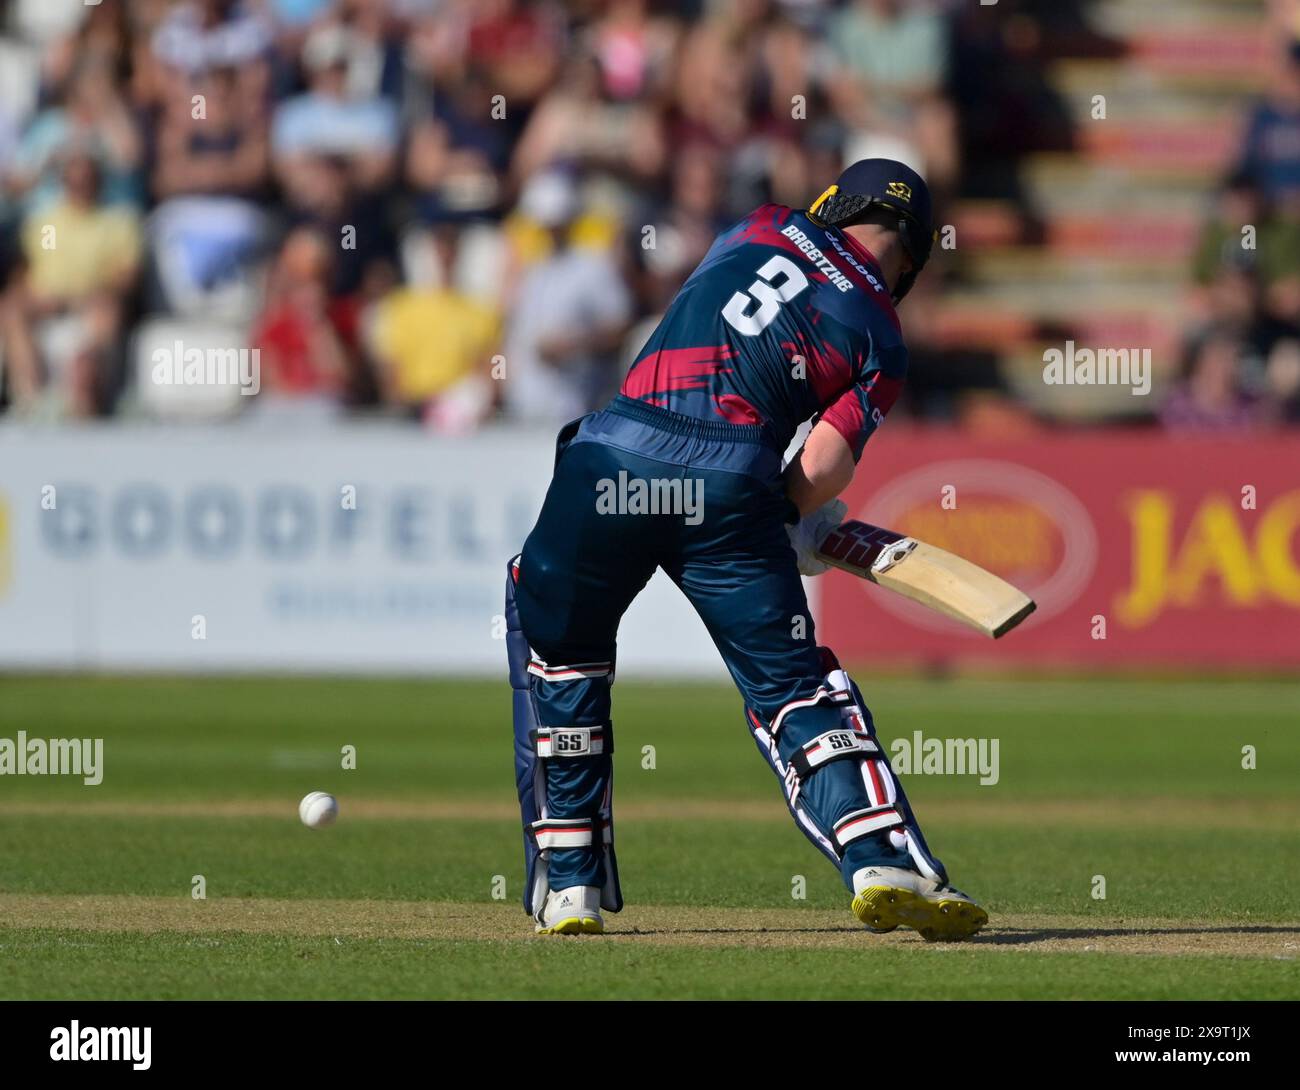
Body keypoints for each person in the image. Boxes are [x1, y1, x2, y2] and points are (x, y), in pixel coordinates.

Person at [504, 159, 988, 940]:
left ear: (835, 203)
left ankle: (569, 887)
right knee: (792, 687)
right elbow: (825, 461)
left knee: (560, 650)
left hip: (610, 463)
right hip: (728, 486)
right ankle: (879, 858)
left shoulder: (760, 224)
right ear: (914, 253)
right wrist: (794, 515)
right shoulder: (880, 334)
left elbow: (709, 315)